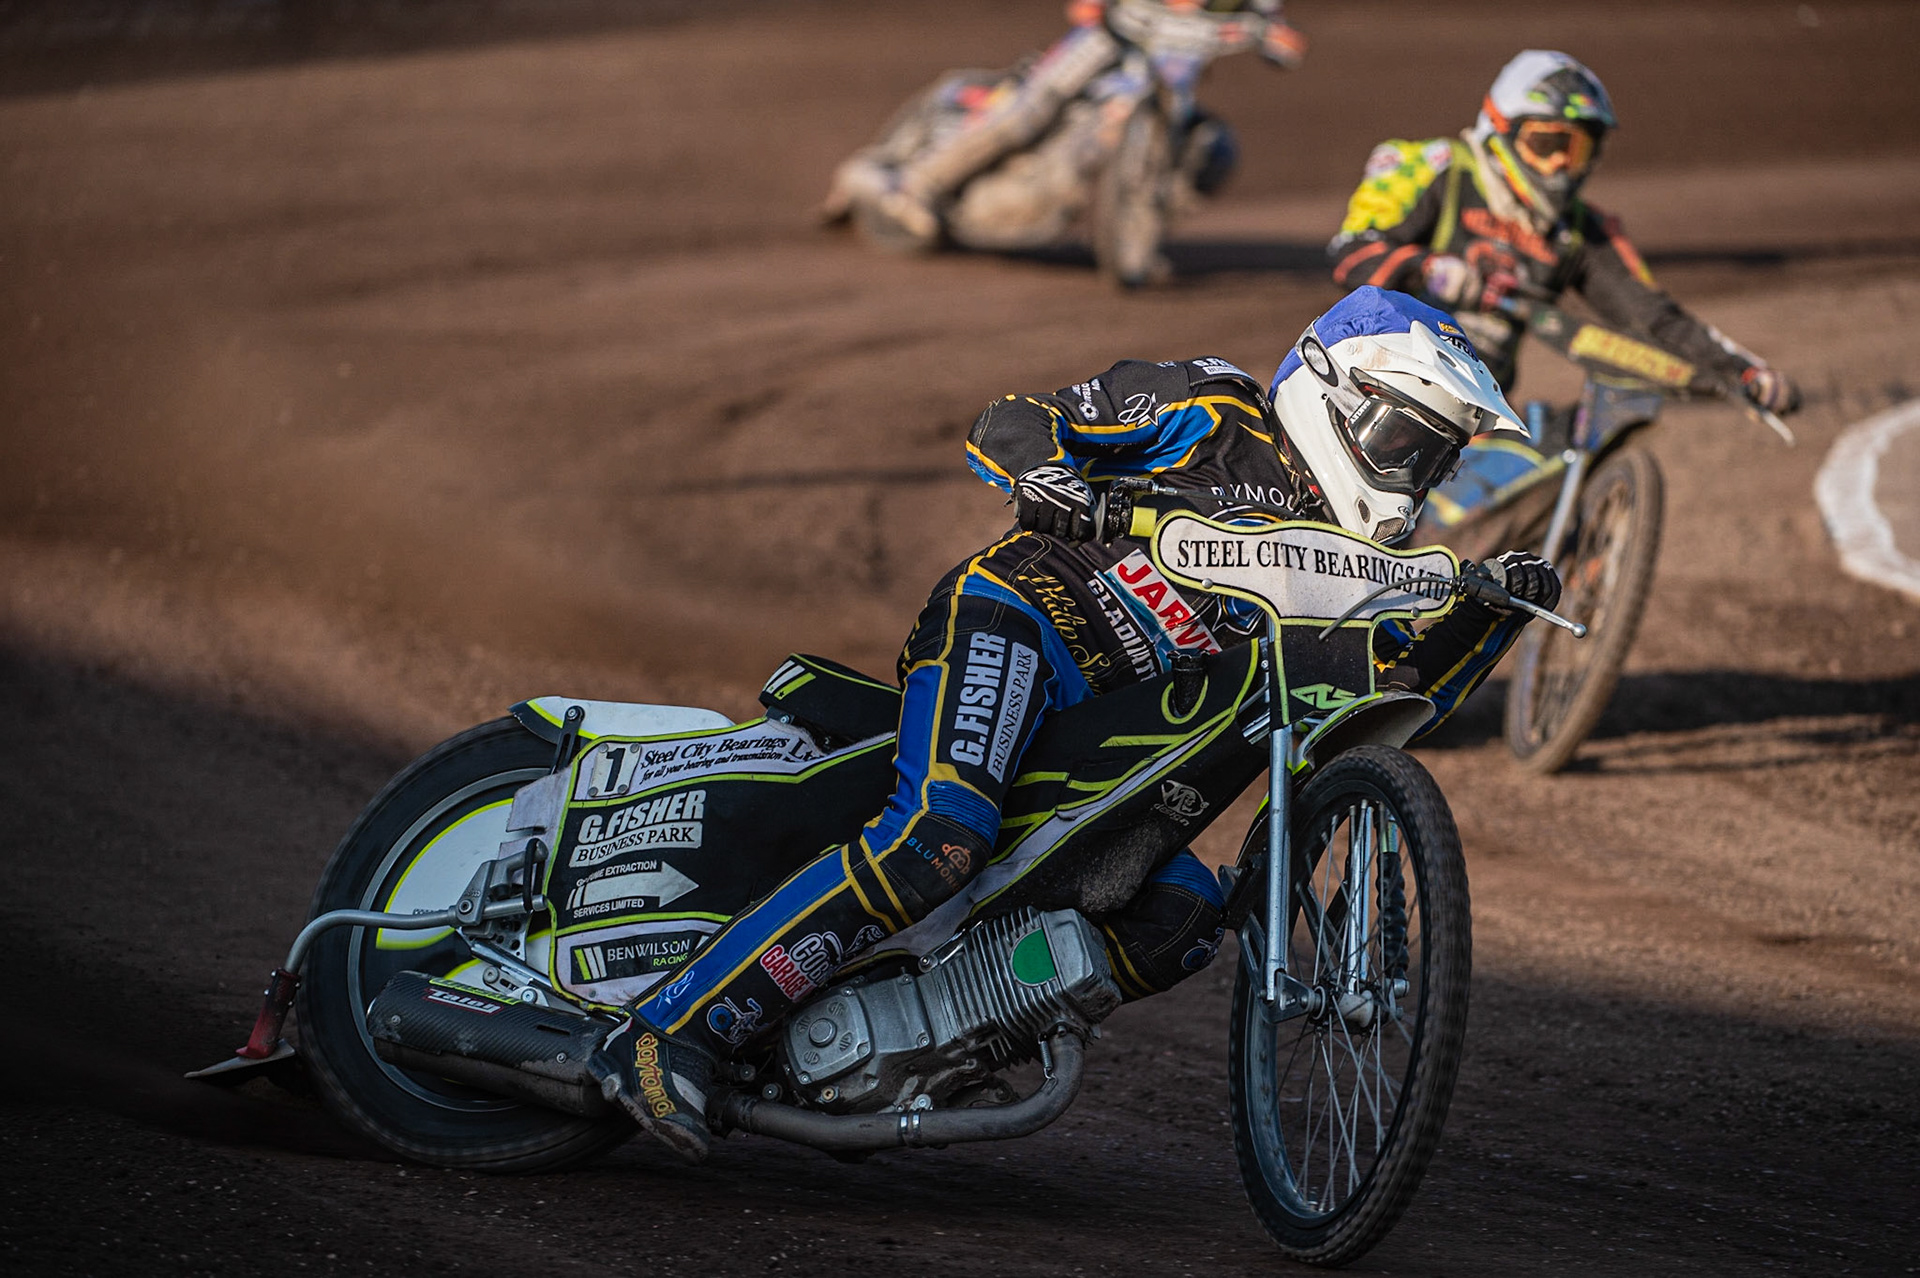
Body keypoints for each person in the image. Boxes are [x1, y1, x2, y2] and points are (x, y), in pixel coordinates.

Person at [588, 287, 1563, 1162]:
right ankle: (666, 1034)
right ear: (1332, 392)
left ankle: (919, 1044)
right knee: (939, 840)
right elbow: (1019, 417)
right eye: (1406, 441)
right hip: (1021, 619)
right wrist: (1048, 474)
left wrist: (1489, 610)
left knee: (1180, 918)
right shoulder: (1218, 409)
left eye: (1434, 456)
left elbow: (1389, 706)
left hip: (1108, 754)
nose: (1415, 474)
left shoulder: (1352, 576)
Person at [1327, 50, 1799, 420]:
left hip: (1471, 415)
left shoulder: (1581, 231)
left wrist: (1744, 372)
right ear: (1501, 129)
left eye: (1575, 150)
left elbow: (1654, 316)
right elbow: (1350, 254)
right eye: (1547, 144)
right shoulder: (1435, 166)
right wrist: (1427, 269)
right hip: (1367, 383)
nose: (1558, 166)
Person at [826, 0, 1307, 248]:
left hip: (1166, 85)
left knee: (1211, 145)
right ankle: (918, 185)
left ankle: (1142, 228)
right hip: (1102, 51)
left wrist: (1278, 40)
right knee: (1030, 106)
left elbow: (1276, 31)